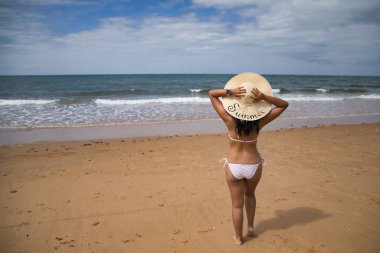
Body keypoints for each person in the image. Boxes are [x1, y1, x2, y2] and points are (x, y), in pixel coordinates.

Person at [208, 73, 288, 245]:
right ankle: (250, 228)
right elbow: (284, 105)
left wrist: (230, 92)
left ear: (237, 104)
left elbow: (212, 94)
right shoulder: (260, 122)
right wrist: (264, 97)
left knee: (237, 205)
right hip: (253, 165)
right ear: (255, 106)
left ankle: (238, 238)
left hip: (233, 166)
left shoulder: (229, 119)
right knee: (250, 195)